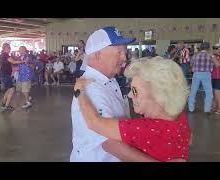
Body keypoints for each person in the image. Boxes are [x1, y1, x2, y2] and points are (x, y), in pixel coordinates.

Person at [74, 57, 191, 162]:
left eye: (135, 91)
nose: (130, 95)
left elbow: (94, 123)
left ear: (156, 94)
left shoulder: (145, 129)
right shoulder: (179, 116)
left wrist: (79, 91)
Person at [71, 26, 140, 162]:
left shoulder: (108, 79)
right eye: (119, 52)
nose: (124, 57)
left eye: (124, 52)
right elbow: (111, 144)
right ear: (98, 55)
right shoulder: (91, 88)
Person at [188, 42, 214, 113]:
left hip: (196, 74)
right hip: (207, 74)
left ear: (201, 48)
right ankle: (207, 110)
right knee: (208, 93)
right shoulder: (210, 55)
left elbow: (191, 64)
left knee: (193, 91)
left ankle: (191, 108)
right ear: (208, 48)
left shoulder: (196, 55)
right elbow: (214, 65)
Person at [0, 43, 15, 111]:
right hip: (5, 74)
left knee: (8, 89)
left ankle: (3, 103)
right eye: (9, 48)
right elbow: (13, 62)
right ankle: (7, 106)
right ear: (5, 48)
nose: (10, 49)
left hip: (5, 74)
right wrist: (23, 61)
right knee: (12, 90)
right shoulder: (5, 55)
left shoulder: (4, 55)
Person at [211, 46, 220, 114]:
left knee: (217, 94)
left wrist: (213, 57)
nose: (214, 50)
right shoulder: (217, 56)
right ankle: (215, 107)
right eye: (214, 49)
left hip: (219, 77)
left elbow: (218, 65)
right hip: (215, 77)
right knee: (215, 94)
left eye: (216, 49)